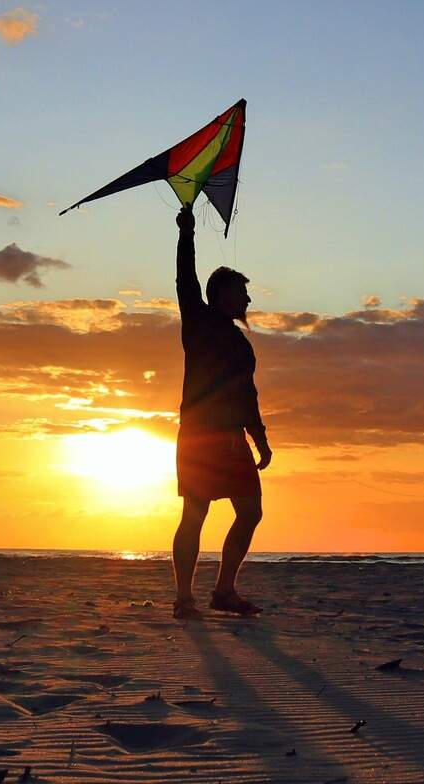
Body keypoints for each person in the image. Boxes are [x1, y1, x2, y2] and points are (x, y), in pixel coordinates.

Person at [170, 204, 271, 619]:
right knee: (194, 514)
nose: (247, 298)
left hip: (234, 442)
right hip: (199, 438)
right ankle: (183, 598)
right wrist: (187, 234)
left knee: (250, 512)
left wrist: (259, 438)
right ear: (222, 295)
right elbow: (185, 279)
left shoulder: (241, 343)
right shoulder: (197, 320)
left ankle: (224, 591)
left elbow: (247, 393)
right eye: (241, 291)